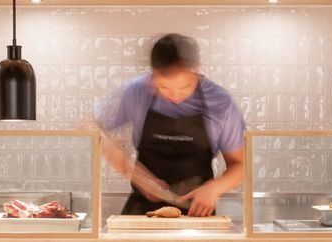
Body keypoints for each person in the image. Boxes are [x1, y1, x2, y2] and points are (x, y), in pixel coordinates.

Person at [96, 33, 245, 216]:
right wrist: (124, 162)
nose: (175, 96)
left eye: (184, 87)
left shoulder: (220, 102)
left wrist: (215, 188)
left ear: (198, 70)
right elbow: (91, 127)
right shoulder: (137, 91)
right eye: (164, 88)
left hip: (197, 213)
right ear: (154, 76)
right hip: (142, 213)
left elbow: (240, 164)